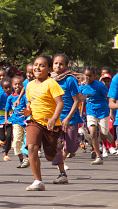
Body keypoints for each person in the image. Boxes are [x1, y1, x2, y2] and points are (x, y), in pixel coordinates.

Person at [21, 56, 64, 191]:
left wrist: (53, 119)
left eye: (42, 66)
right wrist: (28, 111)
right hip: (34, 121)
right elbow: (30, 102)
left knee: (50, 156)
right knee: (32, 147)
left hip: (51, 124)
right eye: (35, 65)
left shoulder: (51, 83)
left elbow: (60, 103)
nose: (37, 68)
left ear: (49, 69)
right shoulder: (29, 84)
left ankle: (56, 144)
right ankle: (38, 181)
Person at [50, 54, 83, 183]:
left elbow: (77, 101)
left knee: (70, 148)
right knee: (56, 146)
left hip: (71, 119)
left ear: (66, 66)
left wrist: (68, 118)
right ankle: (62, 173)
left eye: (61, 63)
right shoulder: (50, 80)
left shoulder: (70, 80)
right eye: (56, 63)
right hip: (56, 119)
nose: (58, 66)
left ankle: (79, 138)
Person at [79, 66, 110, 165]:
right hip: (91, 112)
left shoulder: (99, 85)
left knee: (103, 137)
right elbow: (79, 98)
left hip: (103, 111)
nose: (87, 78)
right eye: (85, 76)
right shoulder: (82, 86)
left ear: (94, 76)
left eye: (90, 76)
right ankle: (98, 156)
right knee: (93, 134)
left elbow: (108, 96)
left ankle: (106, 133)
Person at [5, 76, 29, 168]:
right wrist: (6, 119)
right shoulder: (10, 98)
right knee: (17, 140)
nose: (17, 86)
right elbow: (7, 109)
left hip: (25, 121)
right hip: (16, 122)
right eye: (15, 84)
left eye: (20, 84)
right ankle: (21, 160)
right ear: (12, 85)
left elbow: (28, 105)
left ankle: (27, 157)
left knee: (26, 141)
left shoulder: (25, 96)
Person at [0, 77, 13, 161]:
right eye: (6, 88)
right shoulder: (0, 95)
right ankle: (2, 140)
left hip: (10, 116)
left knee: (9, 135)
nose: (8, 89)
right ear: (2, 88)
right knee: (2, 137)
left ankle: (6, 152)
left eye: (10, 87)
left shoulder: (13, 94)